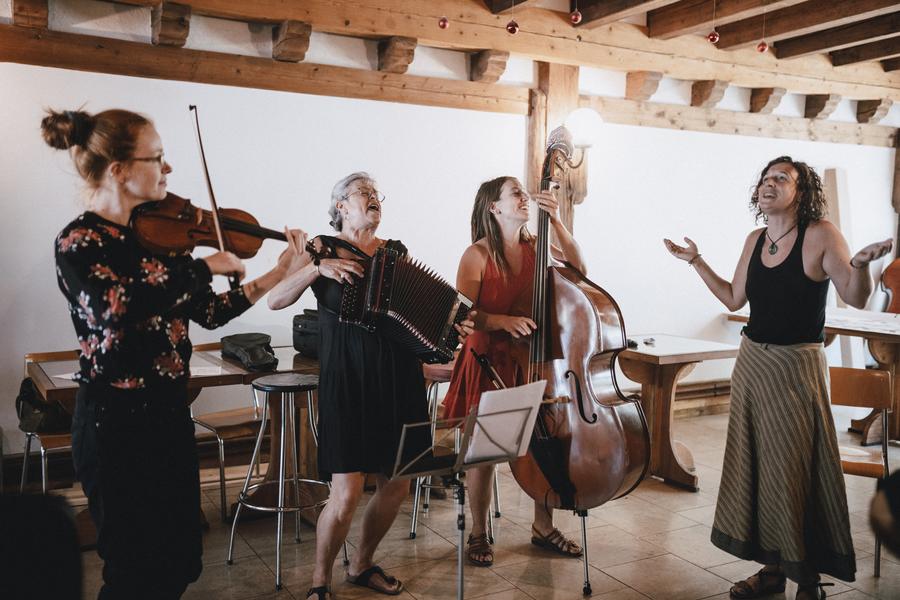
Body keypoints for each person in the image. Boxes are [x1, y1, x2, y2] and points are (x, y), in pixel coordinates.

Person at [45, 108, 305, 599]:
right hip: (115, 425)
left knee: (179, 561)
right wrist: (204, 267)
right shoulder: (81, 241)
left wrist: (278, 272)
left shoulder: (160, 241)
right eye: (157, 158)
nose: (168, 170)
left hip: (167, 416)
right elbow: (114, 309)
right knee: (131, 569)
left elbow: (208, 311)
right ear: (119, 168)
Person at [663, 156, 892, 600]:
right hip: (753, 366)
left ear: (801, 192)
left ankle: (807, 579)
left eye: (781, 179)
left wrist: (861, 265)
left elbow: (856, 296)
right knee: (759, 470)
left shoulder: (821, 234)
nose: (769, 184)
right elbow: (733, 296)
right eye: (765, 179)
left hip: (795, 369)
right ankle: (772, 572)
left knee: (792, 474)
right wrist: (696, 261)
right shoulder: (756, 239)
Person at [268, 172, 433, 600]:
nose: (374, 200)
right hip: (349, 379)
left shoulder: (395, 253)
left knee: (397, 481)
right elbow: (276, 299)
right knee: (346, 492)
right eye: (365, 194)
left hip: (397, 379)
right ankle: (319, 581)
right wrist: (316, 270)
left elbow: (408, 316)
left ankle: (361, 564)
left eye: (378, 195)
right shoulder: (319, 248)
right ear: (341, 205)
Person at [441, 176, 587, 567]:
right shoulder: (477, 254)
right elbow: (463, 313)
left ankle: (543, 527)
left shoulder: (537, 246)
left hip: (532, 360)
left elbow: (579, 267)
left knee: (543, 445)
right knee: (484, 453)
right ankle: (477, 533)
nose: (525, 197)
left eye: (525, 192)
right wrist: (502, 321)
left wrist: (556, 221)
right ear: (494, 206)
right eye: (516, 194)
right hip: (487, 358)